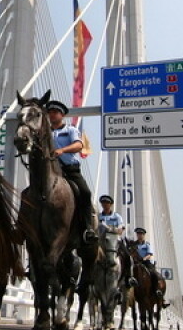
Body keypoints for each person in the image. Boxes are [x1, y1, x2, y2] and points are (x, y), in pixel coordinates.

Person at [44, 99, 95, 245]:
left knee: (85, 193)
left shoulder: (70, 130)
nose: (52, 115)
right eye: (50, 113)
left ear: (62, 115)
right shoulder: (45, 131)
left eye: (55, 112)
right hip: (51, 171)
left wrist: (62, 150)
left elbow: (79, 145)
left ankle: (87, 228)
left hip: (69, 170)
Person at [97, 194, 132, 286]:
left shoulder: (117, 217)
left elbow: (120, 230)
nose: (104, 205)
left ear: (111, 204)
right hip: (101, 242)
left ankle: (129, 278)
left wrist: (110, 229)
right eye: (103, 203)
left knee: (128, 256)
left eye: (106, 203)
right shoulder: (98, 216)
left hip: (115, 241)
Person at [129, 227, 168, 307]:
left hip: (146, 263)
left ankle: (158, 292)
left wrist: (143, 259)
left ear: (144, 235)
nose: (139, 236)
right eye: (138, 234)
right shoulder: (134, 244)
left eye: (141, 234)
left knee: (154, 275)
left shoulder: (147, 245)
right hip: (136, 263)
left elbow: (149, 254)